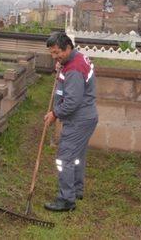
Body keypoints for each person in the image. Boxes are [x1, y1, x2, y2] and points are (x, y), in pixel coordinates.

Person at [43, 31, 98, 212]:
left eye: (57, 53)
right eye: (52, 53)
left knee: (65, 158)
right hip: (85, 118)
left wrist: (55, 113)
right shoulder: (75, 59)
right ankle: (76, 190)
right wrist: (60, 72)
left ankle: (66, 200)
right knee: (75, 158)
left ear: (68, 48)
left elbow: (72, 102)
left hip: (79, 120)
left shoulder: (74, 69)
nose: (54, 57)